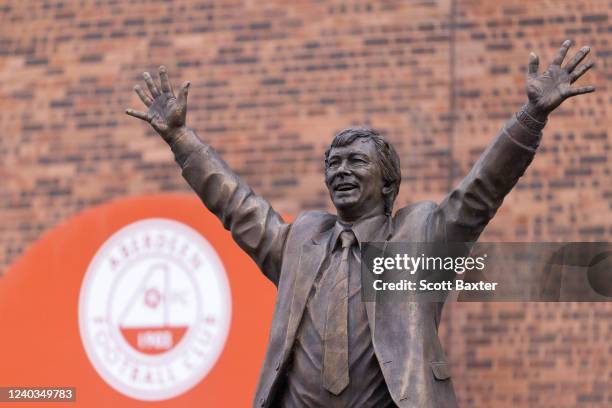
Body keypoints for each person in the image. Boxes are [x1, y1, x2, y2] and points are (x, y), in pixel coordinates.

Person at [126, 40, 594, 407]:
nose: (341, 171)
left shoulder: (420, 237)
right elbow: (236, 204)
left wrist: (531, 117)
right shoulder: (303, 240)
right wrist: (181, 139)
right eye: (333, 163)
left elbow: (481, 192)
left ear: (388, 184)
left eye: (355, 162)